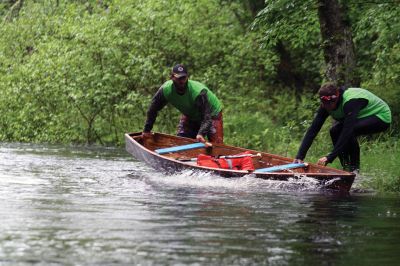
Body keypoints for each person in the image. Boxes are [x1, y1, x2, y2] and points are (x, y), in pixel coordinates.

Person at [294, 83, 391, 172]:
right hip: (363, 116)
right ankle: (346, 167)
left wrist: (330, 157)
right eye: (325, 104)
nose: (329, 107)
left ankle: (354, 170)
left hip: (381, 117)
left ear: (337, 96)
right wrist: (300, 156)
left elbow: (347, 131)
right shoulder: (325, 105)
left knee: (350, 131)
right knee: (334, 131)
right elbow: (313, 130)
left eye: (331, 103)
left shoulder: (350, 102)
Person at [142, 64, 223, 143]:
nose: (181, 81)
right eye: (179, 78)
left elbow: (207, 118)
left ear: (187, 77)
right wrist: (147, 130)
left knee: (216, 147)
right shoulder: (166, 90)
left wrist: (200, 134)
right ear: (172, 77)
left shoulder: (198, 92)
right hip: (190, 114)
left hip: (212, 115)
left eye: (183, 78)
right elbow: (153, 109)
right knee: (181, 141)